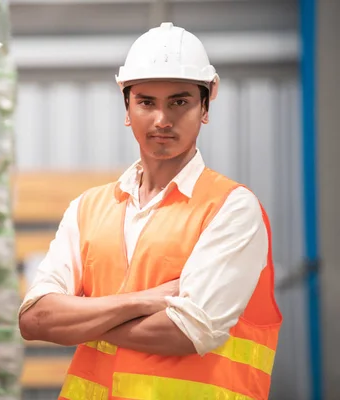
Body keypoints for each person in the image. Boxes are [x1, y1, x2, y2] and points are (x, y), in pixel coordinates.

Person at [18, 22, 282, 400]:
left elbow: (188, 332)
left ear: (205, 106)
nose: (162, 119)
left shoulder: (232, 208)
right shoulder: (87, 209)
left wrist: (77, 320)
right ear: (126, 107)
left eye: (179, 102)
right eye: (146, 102)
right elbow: (34, 320)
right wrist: (143, 301)